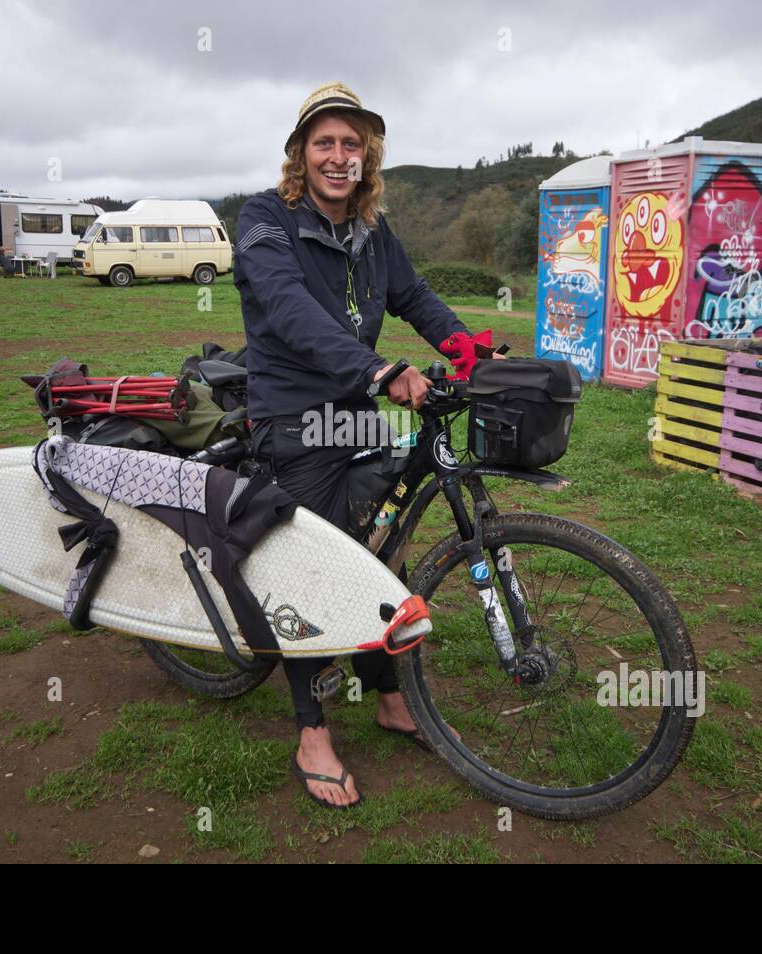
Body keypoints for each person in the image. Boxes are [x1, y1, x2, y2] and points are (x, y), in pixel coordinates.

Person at [234, 82, 476, 808]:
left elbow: (415, 295)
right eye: (325, 143)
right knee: (313, 570)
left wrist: (468, 347)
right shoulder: (264, 219)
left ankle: (387, 691)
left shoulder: (372, 231)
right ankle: (311, 730)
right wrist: (379, 368)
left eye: (352, 144)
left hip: (354, 416)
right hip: (293, 420)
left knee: (386, 544)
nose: (340, 157)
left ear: (367, 156)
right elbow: (288, 308)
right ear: (301, 154)